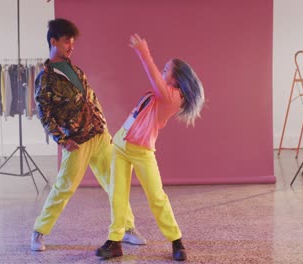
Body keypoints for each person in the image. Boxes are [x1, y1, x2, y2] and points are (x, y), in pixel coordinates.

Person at [31, 19, 146, 251]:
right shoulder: (45, 79)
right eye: (66, 42)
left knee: (116, 182)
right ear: (53, 42)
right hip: (77, 141)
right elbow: (44, 114)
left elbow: (91, 98)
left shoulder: (75, 70)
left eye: (72, 42)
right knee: (64, 187)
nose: (70, 46)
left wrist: (103, 125)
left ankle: (126, 227)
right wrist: (62, 140)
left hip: (99, 135)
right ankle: (38, 233)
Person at [95, 34, 205, 261]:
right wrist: (117, 139)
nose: (162, 72)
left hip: (142, 151)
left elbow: (155, 80)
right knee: (117, 194)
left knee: (157, 197)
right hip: (120, 145)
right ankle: (115, 241)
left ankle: (176, 240)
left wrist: (143, 52)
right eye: (162, 69)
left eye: (166, 70)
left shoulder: (173, 97)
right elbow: (136, 117)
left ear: (177, 80)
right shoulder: (160, 93)